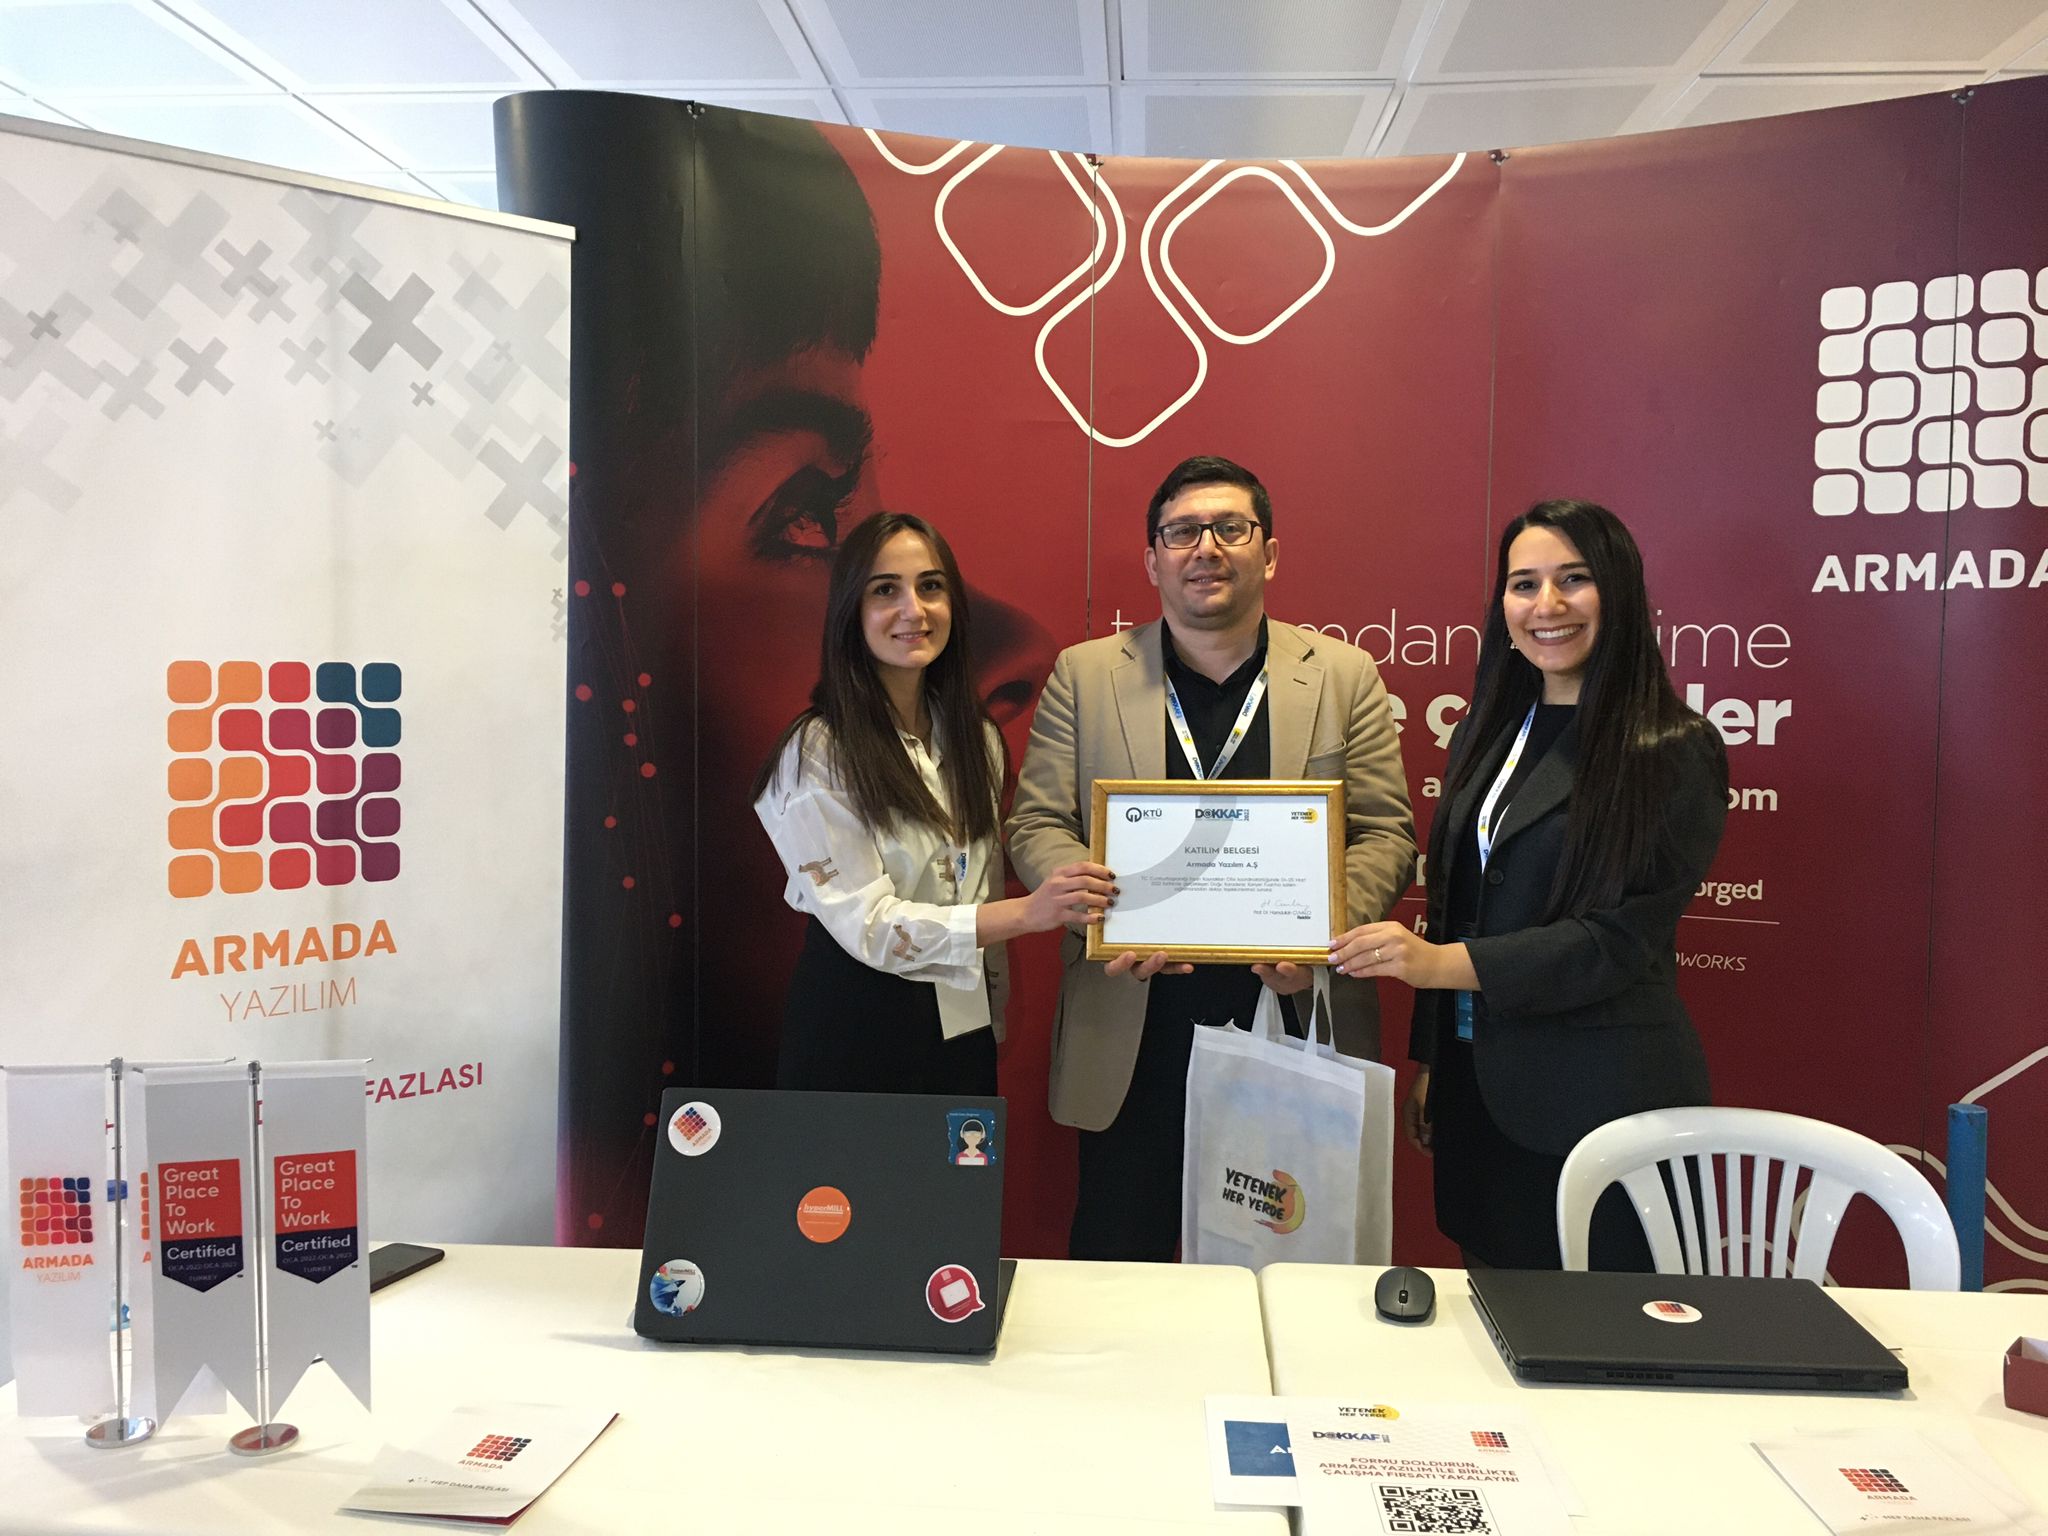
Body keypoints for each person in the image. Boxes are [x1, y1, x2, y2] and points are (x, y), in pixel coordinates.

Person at [1007, 455, 1417, 1261]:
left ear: (1270, 553)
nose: (1207, 548)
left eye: (1231, 528)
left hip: (1293, 1019)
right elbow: (1037, 823)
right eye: (1183, 532)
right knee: (1122, 1265)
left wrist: (1318, 935)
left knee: (1290, 1271)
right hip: (1133, 1022)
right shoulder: (1084, 676)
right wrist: (1099, 911)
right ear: (1152, 558)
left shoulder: (1343, 676)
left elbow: (1385, 834)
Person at [1330, 499, 1728, 1270]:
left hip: (1599, 1100)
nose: (1546, 605)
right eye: (1524, 584)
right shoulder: (1489, 733)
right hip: (1477, 1095)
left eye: (1573, 579)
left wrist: (1438, 965)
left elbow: (1615, 942)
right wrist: (1434, 1062)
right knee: (1493, 1306)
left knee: (1598, 1326)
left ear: (1617, 590)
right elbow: (1454, 905)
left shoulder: (1672, 748)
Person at [754, 511, 1116, 1095]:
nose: (913, 610)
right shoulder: (818, 749)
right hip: (853, 1029)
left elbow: (979, 885)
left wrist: (991, 1014)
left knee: (962, 1158)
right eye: (885, 590)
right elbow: (871, 927)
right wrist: (1030, 913)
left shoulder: (976, 738)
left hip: (961, 1027)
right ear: (850, 610)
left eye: (930, 586)